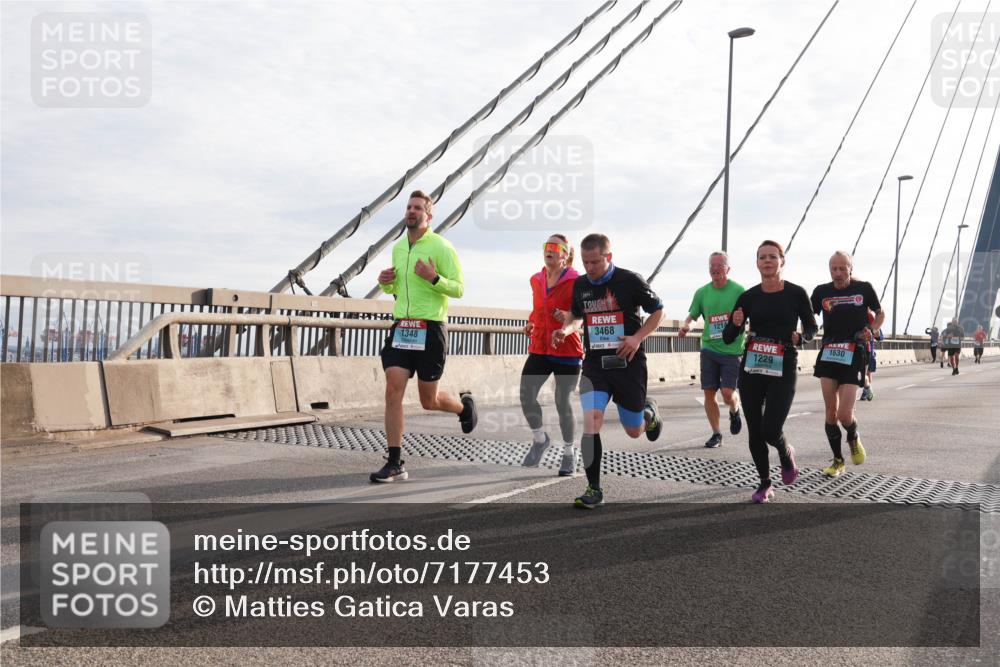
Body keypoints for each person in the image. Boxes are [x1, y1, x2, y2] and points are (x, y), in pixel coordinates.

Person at [552, 233, 665, 508]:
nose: (589, 268)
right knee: (591, 420)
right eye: (585, 262)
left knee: (633, 430)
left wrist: (637, 338)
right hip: (595, 364)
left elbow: (658, 311)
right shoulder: (580, 285)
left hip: (628, 362)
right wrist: (565, 330)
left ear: (608, 257)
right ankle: (594, 489)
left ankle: (649, 415)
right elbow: (577, 315)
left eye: (595, 262)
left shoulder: (630, 281)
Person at [372, 190, 477, 482]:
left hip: (430, 329)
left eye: (418, 208)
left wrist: (433, 277)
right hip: (402, 327)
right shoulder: (398, 248)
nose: (412, 211)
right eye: (408, 207)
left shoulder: (442, 247)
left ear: (428, 216)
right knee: (393, 390)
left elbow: (458, 288)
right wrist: (387, 284)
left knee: (428, 401)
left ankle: (463, 407)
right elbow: (399, 291)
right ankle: (394, 461)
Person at [723, 240, 817, 503]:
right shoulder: (748, 297)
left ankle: (786, 454)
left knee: (771, 428)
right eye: (762, 257)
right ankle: (765, 483)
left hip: (784, 361)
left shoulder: (797, 293)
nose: (767, 261)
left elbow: (812, 326)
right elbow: (729, 336)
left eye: (772, 257)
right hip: (753, 364)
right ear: (757, 263)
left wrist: (802, 337)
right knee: (755, 429)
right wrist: (736, 323)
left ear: (782, 261)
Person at [810, 252, 884, 478]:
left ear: (851, 268)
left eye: (843, 268)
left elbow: (880, 313)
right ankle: (838, 461)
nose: (838, 273)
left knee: (844, 414)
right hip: (829, 352)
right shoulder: (821, 292)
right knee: (830, 412)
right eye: (834, 268)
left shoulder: (864, 289)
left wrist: (871, 330)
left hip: (853, 353)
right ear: (829, 269)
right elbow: (808, 317)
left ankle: (852, 435)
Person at [520, 235, 584, 476]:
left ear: (566, 255)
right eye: (547, 246)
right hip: (540, 347)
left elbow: (580, 317)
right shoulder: (536, 280)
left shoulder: (577, 281)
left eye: (555, 247)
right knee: (526, 397)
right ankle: (540, 439)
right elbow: (538, 309)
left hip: (567, 349)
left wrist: (567, 319)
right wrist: (530, 323)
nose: (550, 250)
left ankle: (569, 453)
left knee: (562, 401)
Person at [679, 252, 744, 448]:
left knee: (726, 393)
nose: (715, 269)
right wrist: (687, 325)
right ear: (709, 270)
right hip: (708, 348)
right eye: (712, 266)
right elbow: (692, 315)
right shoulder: (702, 292)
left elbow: (748, 316)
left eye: (720, 265)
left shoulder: (739, 291)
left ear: (728, 269)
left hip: (732, 350)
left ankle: (734, 409)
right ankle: (716, 433)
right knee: (709, 393)